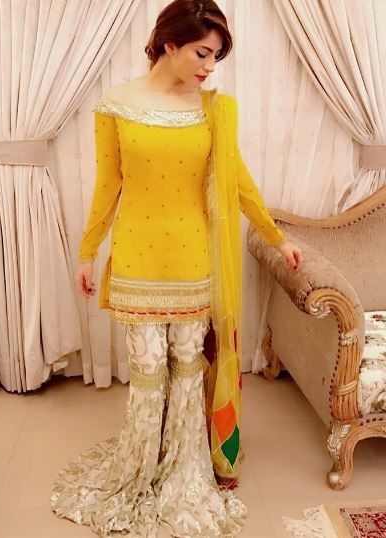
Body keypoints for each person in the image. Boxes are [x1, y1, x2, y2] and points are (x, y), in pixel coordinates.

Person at [51, 0, 303, 536]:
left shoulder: (213, 110)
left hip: (193, 258)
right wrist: (87, 250)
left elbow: (238, 181)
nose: (210, 66)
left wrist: (278, 239)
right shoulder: (116, 104)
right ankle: (140, 470)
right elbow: (108, 185)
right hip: (137, 256)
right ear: (170, 44)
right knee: (147, 373)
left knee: (188, 369)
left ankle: (184, 470)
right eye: (202, 53)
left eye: (216, 56)